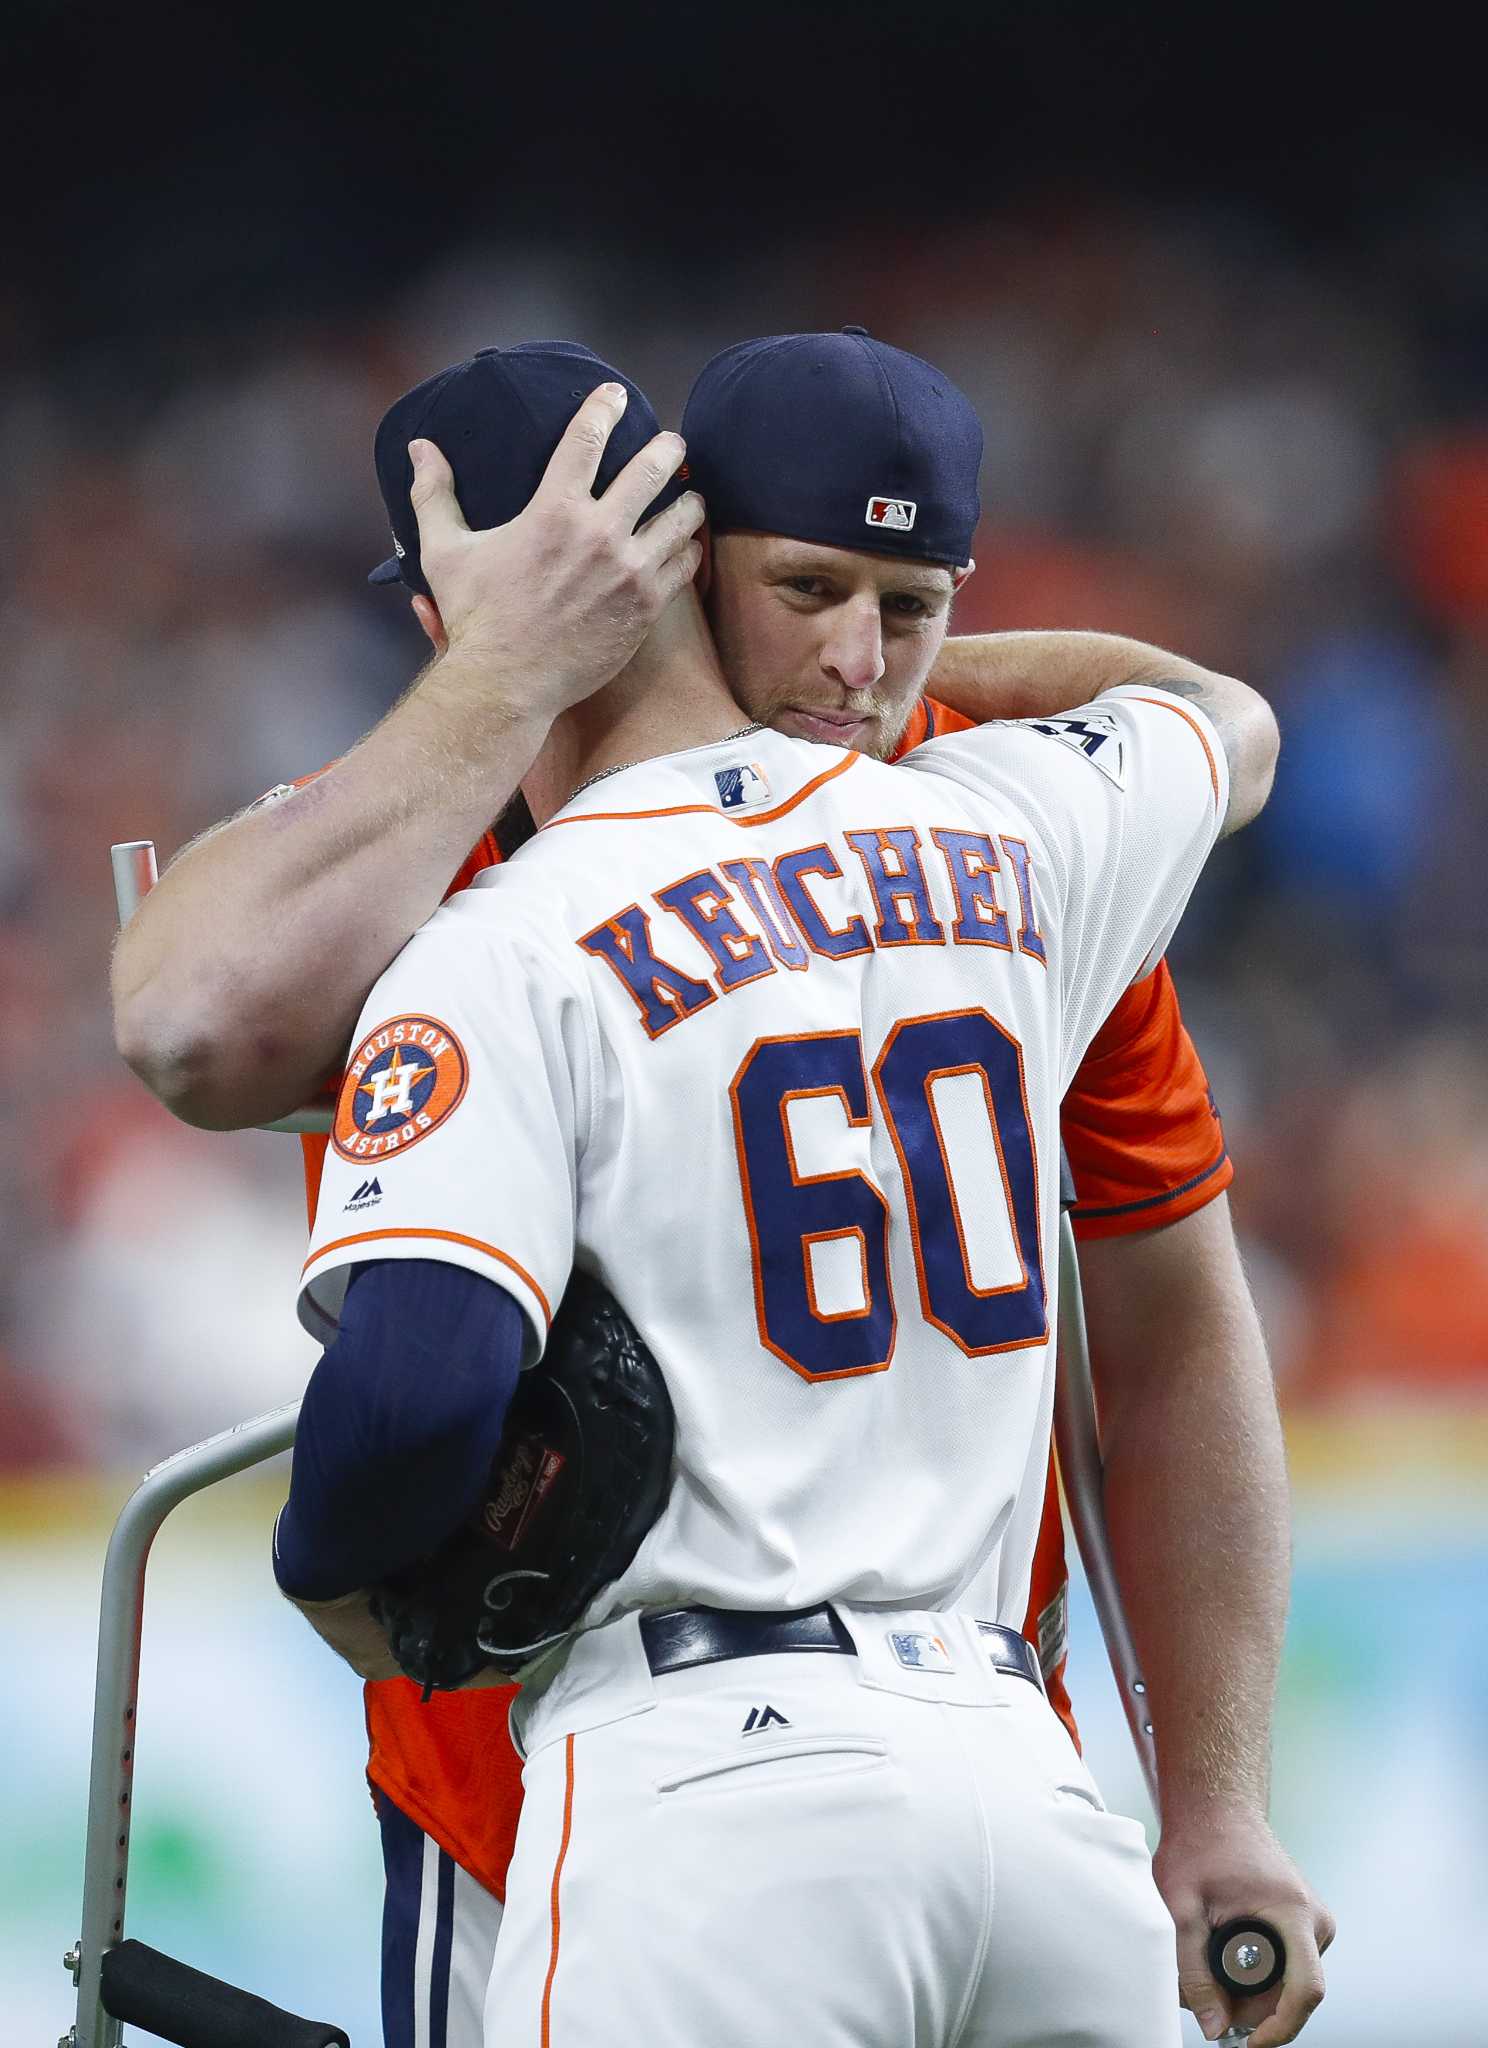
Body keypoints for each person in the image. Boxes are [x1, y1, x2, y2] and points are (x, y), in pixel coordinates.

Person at [111, 333, 1330, 2045]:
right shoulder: (1011, 831)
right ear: (698, 564)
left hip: (666, 1771)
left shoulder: (484, 918)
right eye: (810, 586)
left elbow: (1176, 1329)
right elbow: (1226, 721)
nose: (854, 657)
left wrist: (1219, 1795)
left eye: (905, 604)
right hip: (955, 1781)